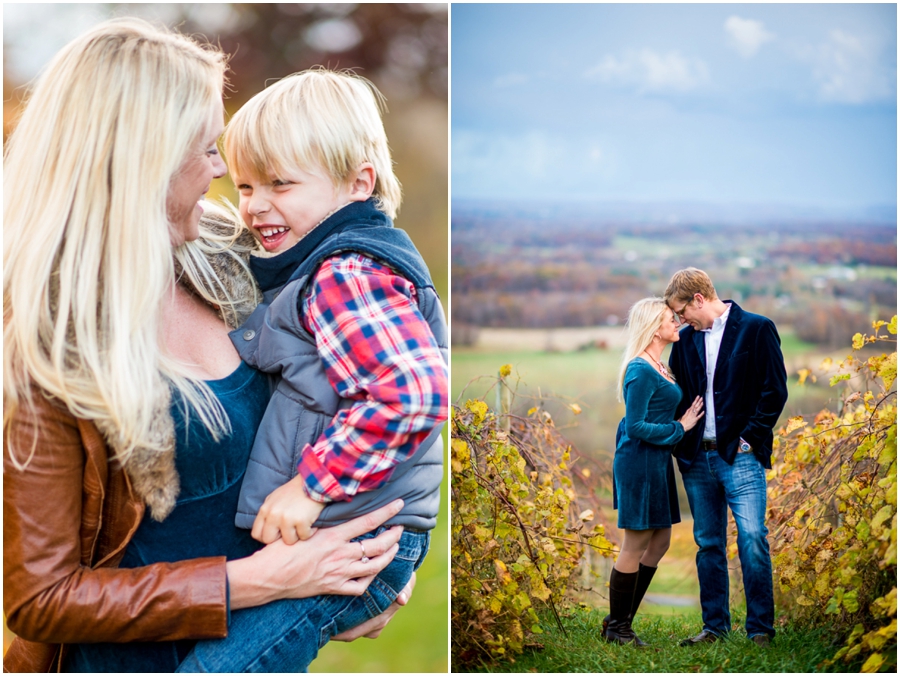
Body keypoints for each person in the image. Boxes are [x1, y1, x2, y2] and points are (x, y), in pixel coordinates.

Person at [3, 19, 409, 673]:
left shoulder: (239, 260)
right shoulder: (42, 341)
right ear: (146, 159)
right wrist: (265, 583)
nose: (223, 171)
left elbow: (368, 387)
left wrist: (377, 563)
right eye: (207, 149)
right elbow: (42, 599)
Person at [174, 69, 448, 672]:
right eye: (246, 185)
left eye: (281, 183)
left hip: (350, 543)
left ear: (358, 183)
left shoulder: (346, 274)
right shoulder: (322, 263)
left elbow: (412, 393)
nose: (255, 206)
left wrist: (311, 486)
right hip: (351, 536)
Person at [664, 268, 788, 648]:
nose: (680, 319)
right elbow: (679, 395)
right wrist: (680, 443)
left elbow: (775, 391)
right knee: (708, 543)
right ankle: (714, 628)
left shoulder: (756, 328)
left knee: (752, 537)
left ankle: (760, 631)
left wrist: (750, 439)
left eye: (682, 310)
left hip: (742, 457)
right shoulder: (685, 341)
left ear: (699, 299)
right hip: (698, 460)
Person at [603, 298, 705, 645]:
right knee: (635, 542)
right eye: (669, 319)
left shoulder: (658, 365)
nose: (676, 323)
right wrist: (681, 427)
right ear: (653, 327)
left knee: (660, 540)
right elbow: (635, 427)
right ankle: (618, 628)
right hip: (638, 461)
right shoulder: (639, 370)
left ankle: (620, 618)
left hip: (657, 462)